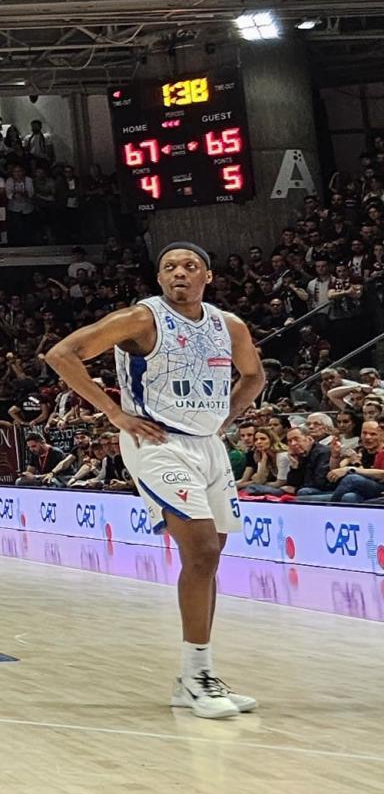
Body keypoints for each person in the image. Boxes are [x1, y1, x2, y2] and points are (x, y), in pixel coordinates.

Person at [43, 244, 267, 719]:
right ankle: (197, 676)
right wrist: (114, 413)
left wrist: (225, 418)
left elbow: (253, 376)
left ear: (207, 275)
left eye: (189, 266)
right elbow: (62, 354)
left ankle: (194, 676)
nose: (179, 273)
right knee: (201, 550)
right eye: (169, 267)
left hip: (208, 445)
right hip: (158, 441)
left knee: (211, 557)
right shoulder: (141, 318)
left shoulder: (229, 325)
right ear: (160, 278)